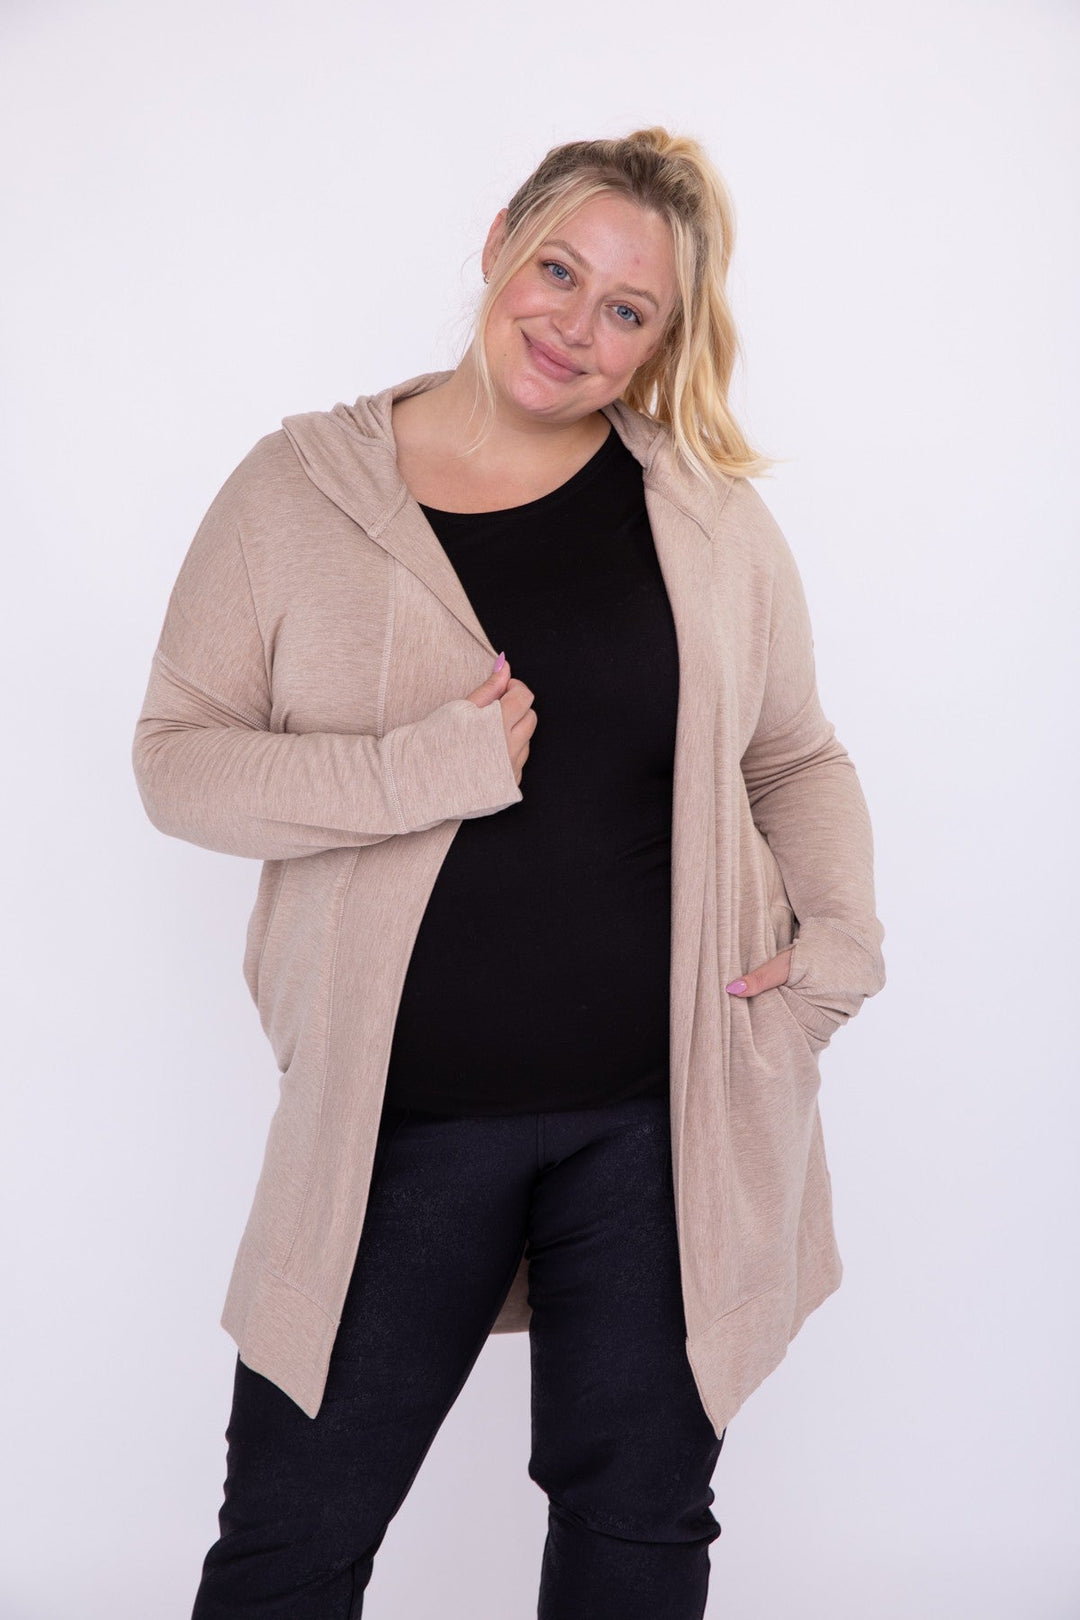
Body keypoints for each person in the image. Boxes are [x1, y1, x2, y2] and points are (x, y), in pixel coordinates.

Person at [132, 126, 885, 1619]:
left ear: (662, 341)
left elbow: (794, 754)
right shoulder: (299, 492)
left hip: (665, 1121)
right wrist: (415, 771)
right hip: (396, 1123)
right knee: (291, 1541)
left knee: (639, 1528)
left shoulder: (703, 515)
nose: (576, 325)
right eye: (558, 271)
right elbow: (177, 761)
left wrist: (840, 948)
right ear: (497, 245)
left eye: (628, 309)